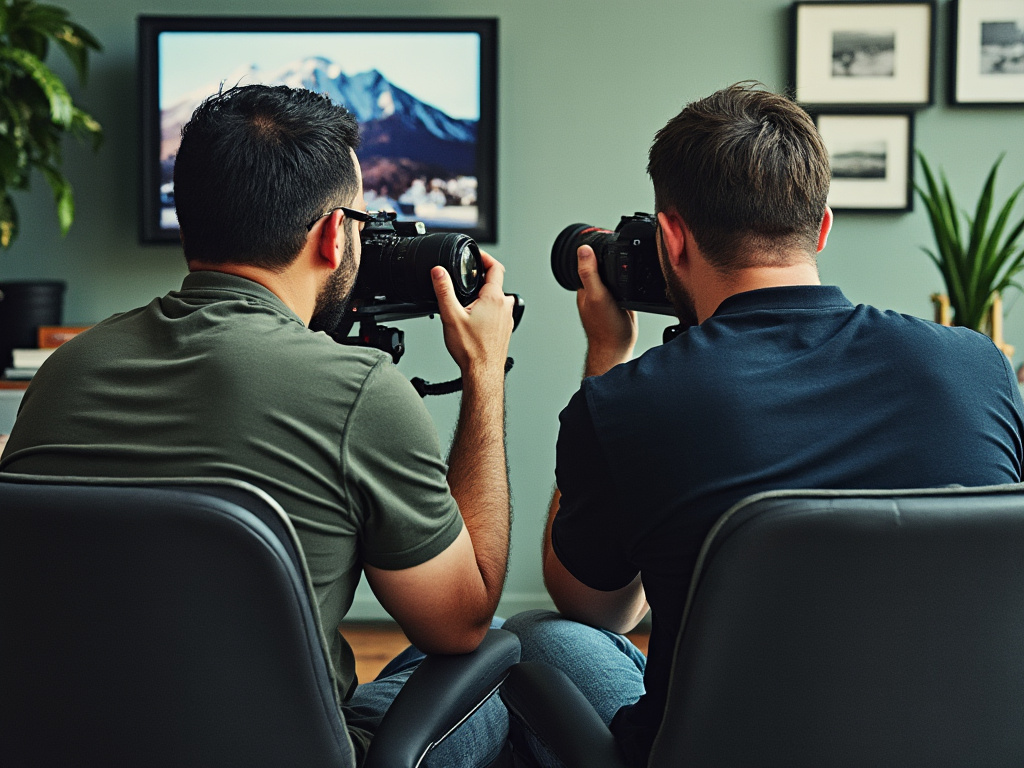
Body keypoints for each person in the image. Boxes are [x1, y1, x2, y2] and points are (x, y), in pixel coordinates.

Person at [503, 81, 1024, 768]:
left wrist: (607, 357)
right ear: (823, 226)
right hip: (964, 746)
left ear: (672, 236)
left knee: (534, 636)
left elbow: (600, 610)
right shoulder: (978, 365)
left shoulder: (630, 401)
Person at [0, 84, 516, 767]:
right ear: (336, 235)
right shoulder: (361, 392)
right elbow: (460, 622)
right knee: (508, 656)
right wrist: (483, 374)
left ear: (188, 226)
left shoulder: (65, 370)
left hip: (71, 749)